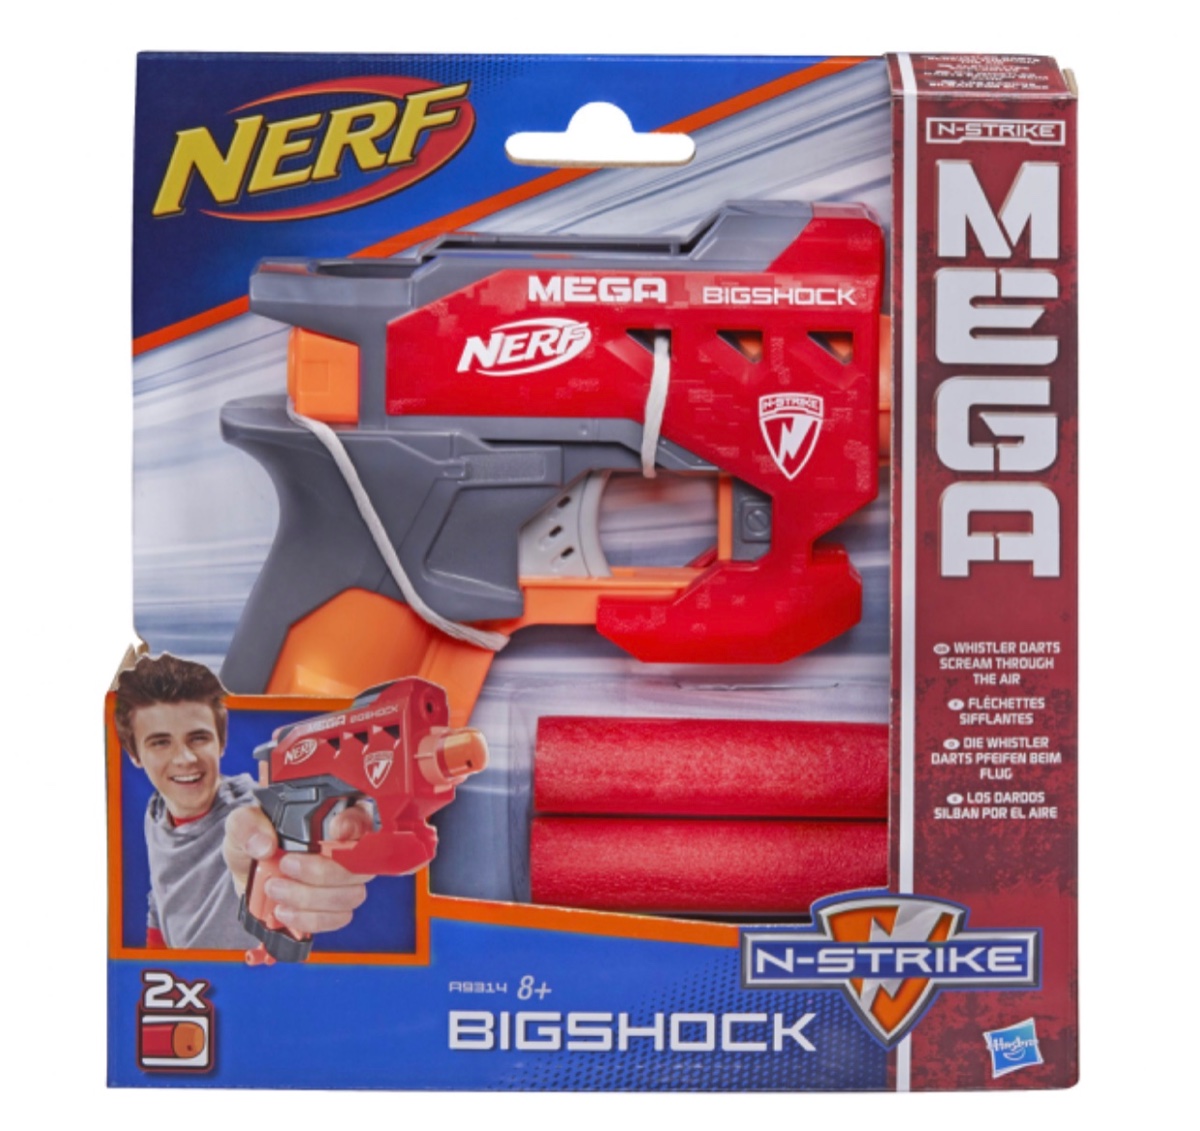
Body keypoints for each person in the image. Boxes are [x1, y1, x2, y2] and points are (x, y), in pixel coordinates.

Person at [114, 653, 373, 950]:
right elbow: (161, 895)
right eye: (160, 743)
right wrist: (156, 960)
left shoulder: (256, 809)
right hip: (182, 976)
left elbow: (266, 823)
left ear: (221, 742)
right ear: (134, 754)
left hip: (250, 974)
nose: (185, 758)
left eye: (198, 738)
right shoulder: (156, 810)